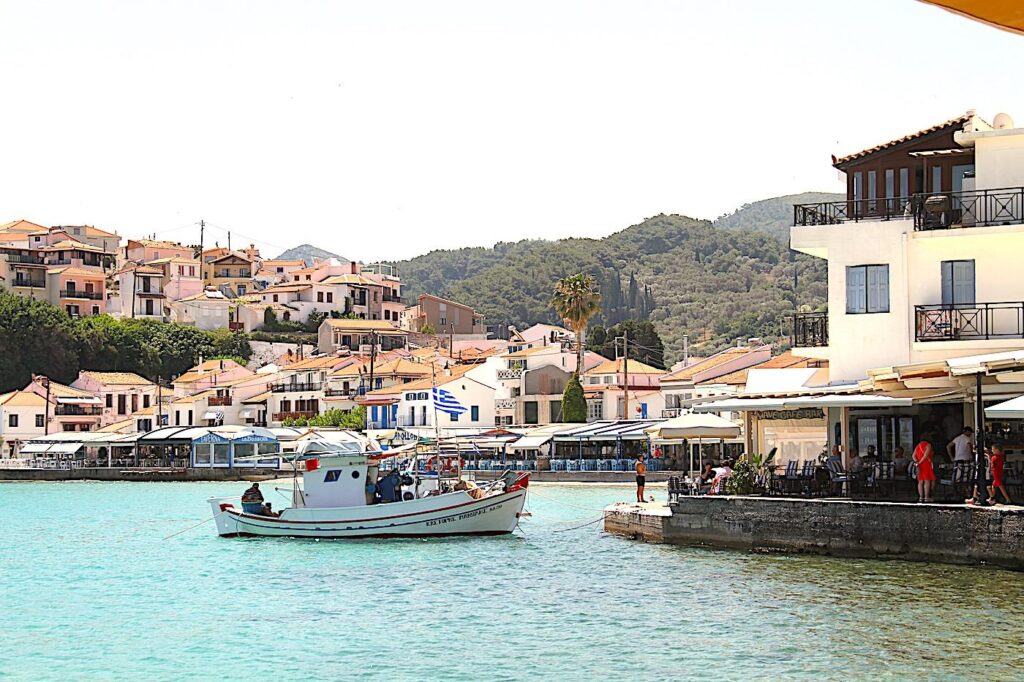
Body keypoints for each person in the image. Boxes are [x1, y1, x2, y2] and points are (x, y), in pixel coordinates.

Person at [913, 433, 936, 503]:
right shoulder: (928, 445)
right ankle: (926, 497)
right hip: (926, 465)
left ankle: (920, 497)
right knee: (927, 481)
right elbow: (926, 455)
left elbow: (913, 455)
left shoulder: (918, 445)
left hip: (919, 466)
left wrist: (917, 461)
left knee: (920, 481)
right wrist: (921, 462)